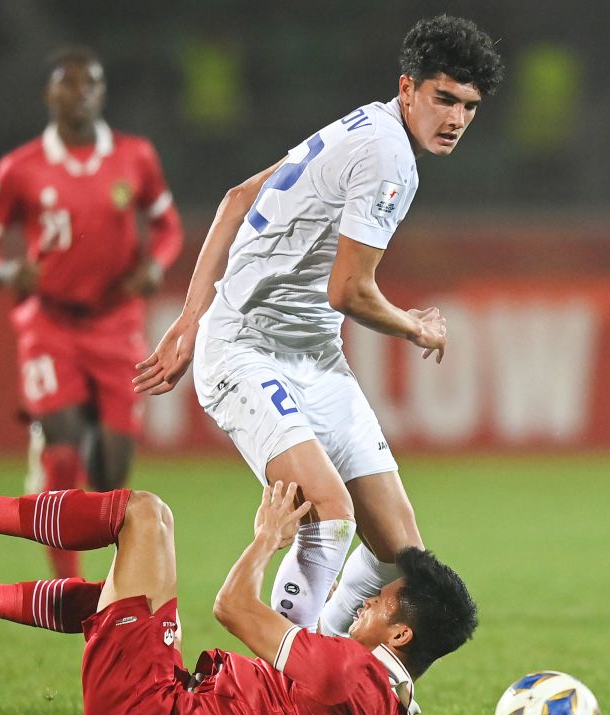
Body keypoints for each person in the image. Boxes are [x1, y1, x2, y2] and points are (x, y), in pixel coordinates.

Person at [133, 16, 504, 635]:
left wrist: (188, 318)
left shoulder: (368, 121)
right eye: (444, 98)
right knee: (327, 515)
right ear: (408, 88)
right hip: (247, 352)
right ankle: (290, 689)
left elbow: (236, 197)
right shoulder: (390, 156)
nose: (456, 119)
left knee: (399, 556)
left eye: (469, 106)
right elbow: (349, 290)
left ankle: (323, 665)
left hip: (315, 358)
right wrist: (416, 327)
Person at [0, 419, 478, 715]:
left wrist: (268, 538)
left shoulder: (350, 672)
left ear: (400, 633)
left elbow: (232, 608)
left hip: (149, 714)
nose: (364, 603)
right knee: (115, 599)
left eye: (379, 603)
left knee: (145, 517)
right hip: (167, 704)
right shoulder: (391, 711)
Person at [0, 47, 183, 579]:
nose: (79, 93)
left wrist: (156, 266)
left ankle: (107, 576)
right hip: (49, 321)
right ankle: (69, 587)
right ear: (50, 94)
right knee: (63, 446)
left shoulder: (136, 158)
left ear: (102, 94)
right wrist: (6, 273)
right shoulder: (19, 168)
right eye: (69, 84)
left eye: (90, 84)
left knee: (111, 472)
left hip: (117, 321)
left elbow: (169, 229)